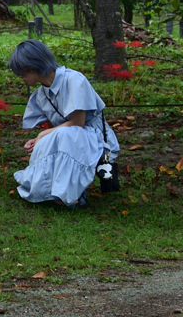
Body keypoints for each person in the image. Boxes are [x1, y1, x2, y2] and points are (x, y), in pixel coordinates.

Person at [9, 40, 120, 208]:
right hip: (72, 137)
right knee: (52, 140)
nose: (21, 77)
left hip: (93, 137)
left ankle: (74, 194)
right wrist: (40, 140)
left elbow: (78, 123)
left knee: (64, 135)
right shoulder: (41, 94)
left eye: (22, 73)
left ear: (32, 68)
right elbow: (60, 128)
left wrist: (43, 135)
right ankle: (50, 191)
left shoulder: (73, 80)